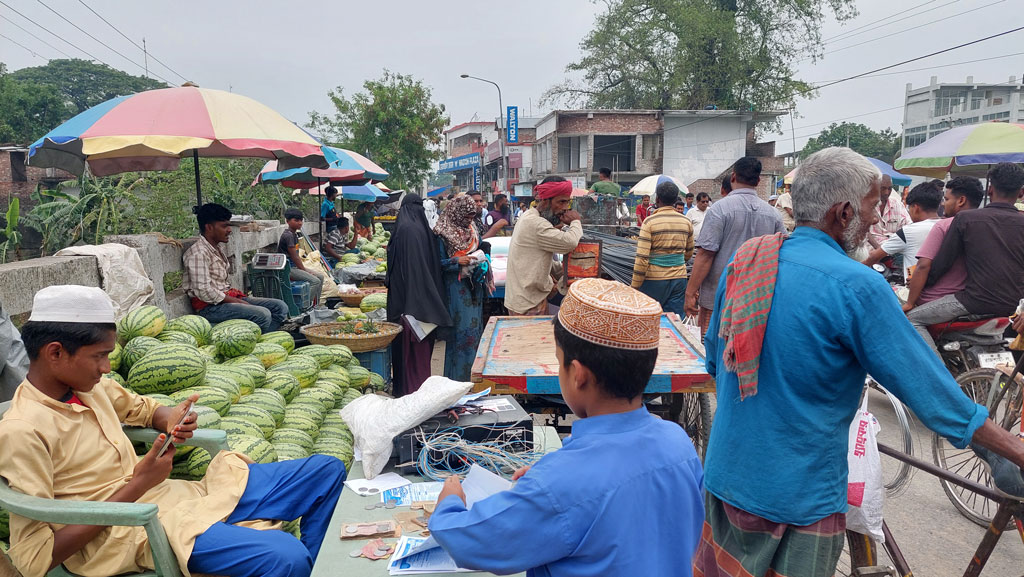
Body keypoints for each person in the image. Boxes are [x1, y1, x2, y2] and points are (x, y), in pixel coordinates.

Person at [693, 147, 1024, 577]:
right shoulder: (857, 286)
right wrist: (1013, 449)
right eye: (873, 203)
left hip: (726, 477)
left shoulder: (746, 262)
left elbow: (716, 362)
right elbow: (932, 393)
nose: (877, 215)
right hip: (797, 499)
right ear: (844, 212)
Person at [0, 285, 346, 577]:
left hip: (172, 497)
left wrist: (170, 418)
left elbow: (145, 409)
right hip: (130, 532)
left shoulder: (91, 386)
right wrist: (139, 483)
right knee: (286, 556)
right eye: (99, 356)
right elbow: (34, 559)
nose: (106, 367)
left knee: (325, 471)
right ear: (56, 352)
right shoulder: (22, 430)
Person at [429, 278, 705, 576]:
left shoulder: (559, 484)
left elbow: (468, 540)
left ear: (577, 374)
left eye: (558, 361)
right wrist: (547, 479)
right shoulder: (678, 444)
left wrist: (450, 503)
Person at [907, 162, 1024, 350]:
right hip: (1015, 306)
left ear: (990, 189)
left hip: (974, 302)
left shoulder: (966, 219)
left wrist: (921, 284)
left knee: (912, 319)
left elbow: (941, 264)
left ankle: (936, 367)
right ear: (1020, 193)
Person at [684, 157, 784, 339]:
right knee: (747, 349)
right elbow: (781, 256)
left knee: (712, 348)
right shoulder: (773, 215)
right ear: (758, 181)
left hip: (718, 299)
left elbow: (705, 256)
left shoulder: (719, 210)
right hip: (756, 302)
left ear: (733, 177)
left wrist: (690, 293)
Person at [183, 203, 288, 332]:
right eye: (224, 226)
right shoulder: (198, 253)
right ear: (209, 227)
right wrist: (236, 301)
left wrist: (236, 300)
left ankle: (265, 337)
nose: (229, 230)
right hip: (209, 307)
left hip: (225, 299)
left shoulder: (216, 248)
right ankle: (256, 339)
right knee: (262, 315)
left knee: (280, 307)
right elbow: (204, 291)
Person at [386, 196, 452, 396]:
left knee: (409, 356)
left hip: (408, 305)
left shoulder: (405, 230)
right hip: (421, 303)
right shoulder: (420, 229)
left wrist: (410, 305)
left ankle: (409, 393)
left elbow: (407, 270)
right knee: (419, 357)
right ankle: (417, 393)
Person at [902, 176, 984, 313]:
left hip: (936, 298)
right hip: (972, 299)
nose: (943, 204)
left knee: (906, 318)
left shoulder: (943, 225)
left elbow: (923, 266)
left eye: (946, 199)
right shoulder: (984, 227)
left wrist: (910, 303)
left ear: (961, 200)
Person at [505, 177, 583, 316]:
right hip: (528, 303)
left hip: (525, 298)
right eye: (561, 202)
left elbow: (536, 259)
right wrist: (575, 222)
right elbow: (570, 242)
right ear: (545, 201)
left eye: (567, 202)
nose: (565, 208)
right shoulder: (536, 223)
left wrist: (566, 270)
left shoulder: (529, 216)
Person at [434, 195, 490, 381]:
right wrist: (456, 261)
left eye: (472, 216)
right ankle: (456, 382)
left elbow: (482, 247)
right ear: (456, 213)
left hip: (474, 288)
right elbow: (435, 264)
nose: (469, 220)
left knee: (474, 335)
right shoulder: (442, 234)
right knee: (460, 337)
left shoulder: (472, 230)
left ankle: (473, 381)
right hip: (456, 291)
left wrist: (483, 259)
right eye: (466, 216)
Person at [632, 181, 694, 318]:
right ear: (675, 200)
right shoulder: (686, 222)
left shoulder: (650, 222)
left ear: (657, 199)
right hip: (679, 278)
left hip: (654, 279)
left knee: (649, 319)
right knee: (674, 320)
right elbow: (689, 251)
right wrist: (675, 262)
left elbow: (642, 259)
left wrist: (635, 287)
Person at [861, 180, 943, 279]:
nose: (886, 192)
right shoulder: (947, 226)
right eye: (883, 188)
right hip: (938, 280)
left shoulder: (908, 231)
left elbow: (874, 257)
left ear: (915, 208)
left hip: (913, 279)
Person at [278, 209, 324, 307]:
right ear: (287, 221)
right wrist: (304, 270)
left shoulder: (294, 234)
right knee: (315, 281)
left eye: (301, 220)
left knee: (320, 276)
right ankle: (305, 307)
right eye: (296, 220)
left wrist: (304, 270)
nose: (299, 223)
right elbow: (295, 257)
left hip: (294, 267)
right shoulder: (288, 236)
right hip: (288, 268)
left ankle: (316, 305)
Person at [868, 174, 910, 250]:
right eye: (883, 188)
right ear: (875, 187)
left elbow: (908, 226)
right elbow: (862, 231)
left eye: (889, 189)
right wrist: (879, 249)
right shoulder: (866, 204)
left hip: (893, 248)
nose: (886, 192)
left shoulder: (897, 204)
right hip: (870, 249)